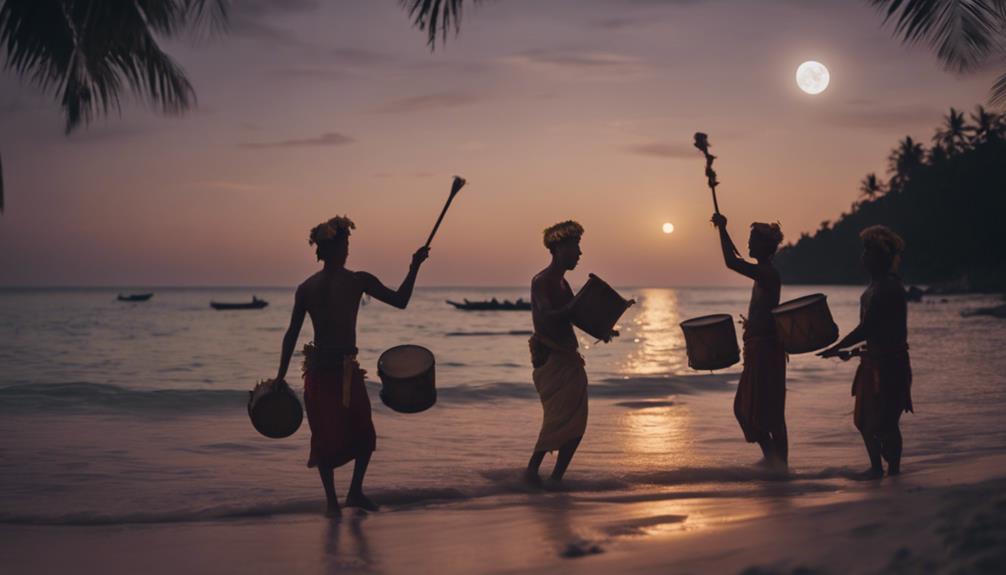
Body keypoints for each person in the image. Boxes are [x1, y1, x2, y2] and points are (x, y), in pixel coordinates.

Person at [274, 215, 429, 516]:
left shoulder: (358, 281)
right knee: (324, 437)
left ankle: (355, 492)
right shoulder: (308, 288)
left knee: (364, 435)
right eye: (345, 243)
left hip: (347, 370)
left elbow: (400, 300)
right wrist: (280, 374)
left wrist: (414, 267)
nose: (348, 249)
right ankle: (332, 502)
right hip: (319, 372)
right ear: (329, 248)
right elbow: (292, 332)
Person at [525, 220, 615, 486]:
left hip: (566, 359)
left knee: (574, 423)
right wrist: (579, 301)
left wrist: (602, 330)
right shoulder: (542, 281)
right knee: (559, 421)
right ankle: (533, 473)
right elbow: (549, 313)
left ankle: (554, 478)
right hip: (553, 359)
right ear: (558, 248)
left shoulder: (562, 283)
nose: (579, 253)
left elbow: (574, 316)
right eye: (575, 246)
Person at [819, 225, 912, 479]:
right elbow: (870, 333)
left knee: (886, 423)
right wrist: (852, 351)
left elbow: (867, 327)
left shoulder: (889, 288)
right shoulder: (873, 287)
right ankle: (877, 468)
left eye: (868, 252)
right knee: (864, 421)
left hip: (891, 366)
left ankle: (892, 471)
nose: (864, 257)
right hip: (873, 362)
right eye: (864, 252)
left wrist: (837, 346)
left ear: (880, 258)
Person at [711, 213, 788, 468]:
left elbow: (732, 262)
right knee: (746, 410)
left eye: (753, 240)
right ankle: (773, 461)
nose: (749, 244)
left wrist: (722, 229)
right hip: (757, 350)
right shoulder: (762, 274)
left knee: (770, 412)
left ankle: (779, 465)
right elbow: (737, 259)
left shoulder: (768, 274)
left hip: (767, 349)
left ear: (766, 246)